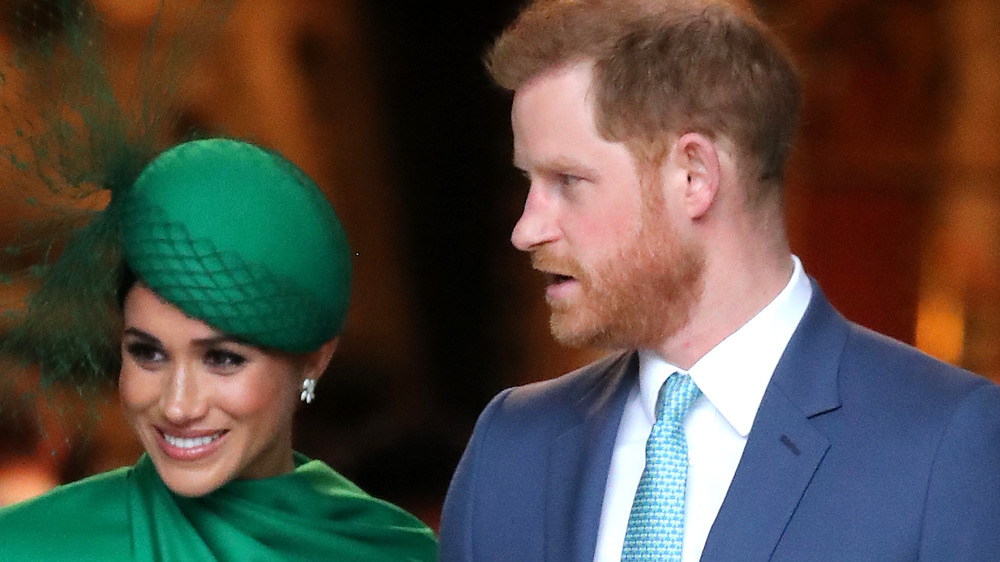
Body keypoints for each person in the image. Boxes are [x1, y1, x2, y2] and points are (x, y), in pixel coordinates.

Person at [439, 0, 1000, 560]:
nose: (526, 229)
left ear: (694, 176)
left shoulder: (946, 443)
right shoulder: (509, 447)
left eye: (567, 180)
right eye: (528, 182)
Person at [0, 138, 439, 560]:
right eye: (148, 354)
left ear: (314, 359)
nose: (177, 406)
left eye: (222, 359)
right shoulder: (24, 546)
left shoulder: (398, 551)